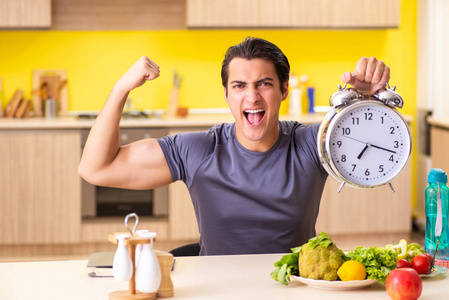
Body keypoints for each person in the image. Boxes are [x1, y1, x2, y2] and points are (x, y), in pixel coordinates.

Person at [78, 37, 390, 255]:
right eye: (239, 86)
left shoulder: (311, 144)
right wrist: (121, 88)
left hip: (294, 287)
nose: (251, 97)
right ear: (227, 95)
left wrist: (368, 99)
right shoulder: (199, 150)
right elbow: (96, 169)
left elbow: (373, 143)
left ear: (284, 90)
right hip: (220, 289)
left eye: (264, 84)